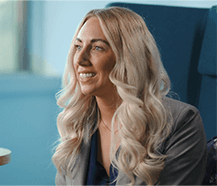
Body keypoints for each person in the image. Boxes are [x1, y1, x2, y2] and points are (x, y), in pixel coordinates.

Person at [52, 7, 207, 185]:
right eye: (78, 46)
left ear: (128, 58)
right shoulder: (77, 123)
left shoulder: (182, 123)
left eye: (97, 48)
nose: (80, 59)